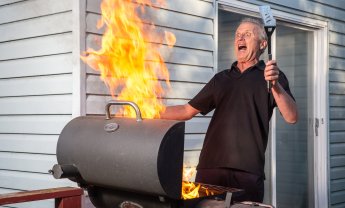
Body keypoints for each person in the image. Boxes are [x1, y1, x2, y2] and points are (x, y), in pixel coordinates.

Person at [160, 18, 298, 203]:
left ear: (262, 44)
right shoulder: (221, 79)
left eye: (247, 35)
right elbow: (186, 111)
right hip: (210, 168)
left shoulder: (272, 77)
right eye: (237, 35)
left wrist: (275, 86)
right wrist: (151, 110)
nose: (240, 38)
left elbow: (292, 117)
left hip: (247, 172)